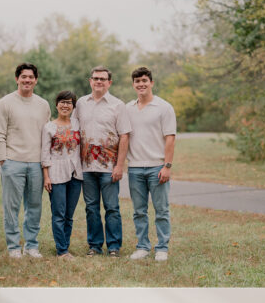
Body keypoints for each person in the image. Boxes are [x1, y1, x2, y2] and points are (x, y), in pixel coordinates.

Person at [0, 62, 51, 259]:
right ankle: (14, 247)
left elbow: (47, 136)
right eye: (23, 77)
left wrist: (44, 163)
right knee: (11, 207)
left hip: (36, 164)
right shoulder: (4, 103)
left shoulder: (43, 105)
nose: (27, 80)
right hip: (12, 162)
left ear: (36, 80)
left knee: (34, 207)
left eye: (31, 77)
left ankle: (31, 246)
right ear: (17, 79)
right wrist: (3, 161)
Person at [74, 65, 131, 256]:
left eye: (103, 79)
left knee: (112, 208)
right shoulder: (81, 103)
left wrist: (120, 166)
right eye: (95, 78)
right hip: (86, 167)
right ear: (90, 81)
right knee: (91, 208)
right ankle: (95, 246)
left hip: (109, 167)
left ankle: (114, 246)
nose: (99, 81)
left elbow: (124, 136)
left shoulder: (118, 105)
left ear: (109, 83)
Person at [125, 66, 176, 262]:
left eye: (145, 81)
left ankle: (162, 248)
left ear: (151, 83)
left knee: (161, 210)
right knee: (139, 211)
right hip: (135, 167)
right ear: (133, 85)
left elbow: (170, 138)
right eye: (137, 81)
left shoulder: (164, 107)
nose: (141, 84)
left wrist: (167, 166)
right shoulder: (128, 108)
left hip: (157, 167)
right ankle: (142, 247)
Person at [41, 90, 83, 258]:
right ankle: (62, 250)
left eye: (69, 102)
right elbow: (45, 153)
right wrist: (46, 177)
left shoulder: (77, 124)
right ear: (57, 105)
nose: (66, 105)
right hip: (56, 173)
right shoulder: (49, 127)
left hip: (76, 173)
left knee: (69, 215)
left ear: (73, 106)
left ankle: (65, 245)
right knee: (59, 214)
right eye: (62, 102)